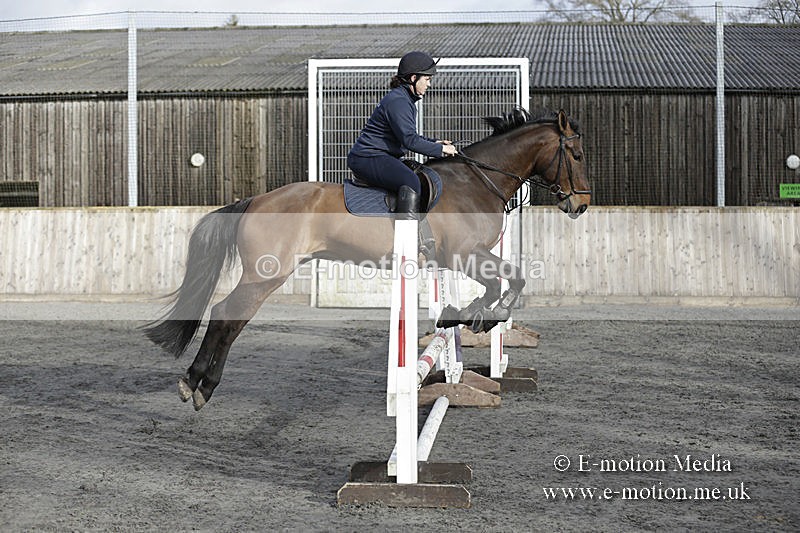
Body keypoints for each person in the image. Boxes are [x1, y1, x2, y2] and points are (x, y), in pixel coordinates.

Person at [347, 51, 457, 219]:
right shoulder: (399, 101)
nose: (429, 84)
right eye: (427, 79)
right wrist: (440, 149)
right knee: (411, 182)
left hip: (378, 157)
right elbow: (409, 141)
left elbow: (407, 136)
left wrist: (436, 142)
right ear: (413, 78)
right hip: (369, 158)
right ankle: (406, 240)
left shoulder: (403, 99)